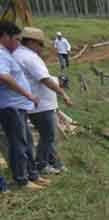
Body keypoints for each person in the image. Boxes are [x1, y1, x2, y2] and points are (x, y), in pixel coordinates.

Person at [15, 27, 72, 176]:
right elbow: (44, 79)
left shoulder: (20, 55)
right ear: (32, 42)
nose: (41, 48)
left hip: (37, 103)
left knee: (48, 135)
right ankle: (42, 164)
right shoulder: (29, 57)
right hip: (41, 105)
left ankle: (54, 162)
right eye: (40, 45)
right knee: (48, 136)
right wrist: (63, 93)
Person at [0, 21, 43, 191]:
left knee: (26, 141)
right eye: (16, 39)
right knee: (18, 144)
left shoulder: (7, 53)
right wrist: (28, 94)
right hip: (11, 106)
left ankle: (31, 175)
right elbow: (3, 76)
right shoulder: (1, 54)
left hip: (17, 106)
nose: (19, 44)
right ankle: (22, 181)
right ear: (4, 36)